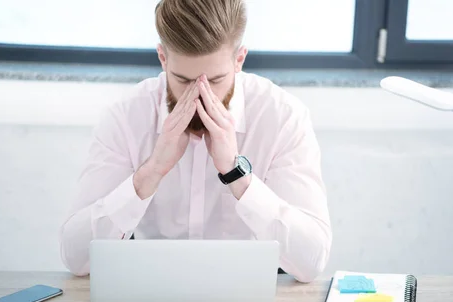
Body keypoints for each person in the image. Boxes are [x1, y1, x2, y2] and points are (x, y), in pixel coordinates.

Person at [59, 0, 332, 283]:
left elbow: (311, 262)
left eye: (215, 80)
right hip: (151, 295)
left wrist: (236, 174)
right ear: (162, 58)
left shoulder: (282, 117)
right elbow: (76, 257)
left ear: (239, 59)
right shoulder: (125, 117)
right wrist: (150, 172)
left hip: (243, 297)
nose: (200, 94)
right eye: (182, 79)